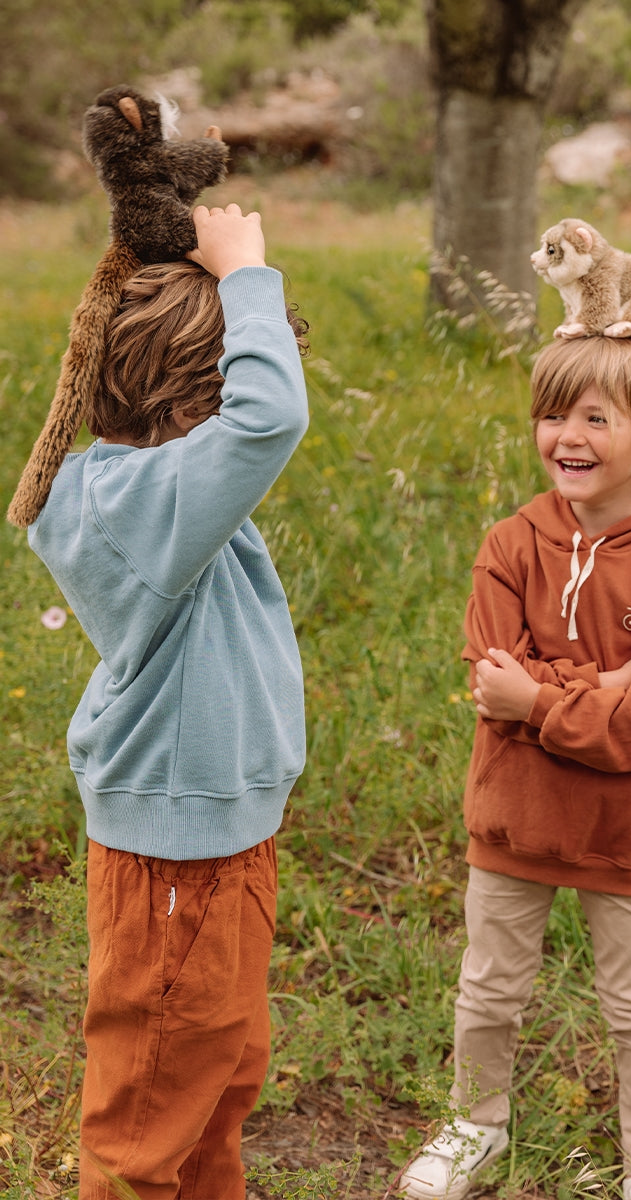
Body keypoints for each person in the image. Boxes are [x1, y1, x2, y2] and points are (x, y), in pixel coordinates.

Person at [398, 335, 631, 1200]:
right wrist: (612, 686)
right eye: (552, 414)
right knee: (489, 989)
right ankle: (476, 1127)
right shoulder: (510, 544)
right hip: (516, 816)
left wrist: (543, 703)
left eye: (596, 416)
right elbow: (489, 676)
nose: (567, 436)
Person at [24, 203, 310, 1199]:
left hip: (222, 845)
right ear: (197, 409)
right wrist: (244, 272)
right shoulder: (147, 510)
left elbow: (251, 421)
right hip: (177, 864)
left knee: (217, 1083)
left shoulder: (154, 499)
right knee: (149, 1117)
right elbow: (272, 418)